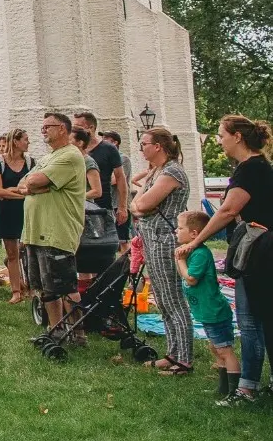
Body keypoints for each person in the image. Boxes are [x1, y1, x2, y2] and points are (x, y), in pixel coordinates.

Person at [176, 114, 273, 406]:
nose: (219, 140)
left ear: (238, 137)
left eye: (221, 134)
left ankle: (246, 390)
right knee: (264, 320)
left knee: (251, 322)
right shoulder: (259, 167)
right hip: (262, 250)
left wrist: (196, 240)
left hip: (258, 254)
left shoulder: (249, 169)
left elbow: (228, 210)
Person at [128, 126, 194, 374]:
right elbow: (138, 205)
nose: (141, 148)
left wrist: (140, 204)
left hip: (166, 240)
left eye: (144, 143)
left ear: (158, 146)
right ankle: (172, 353)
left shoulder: (172, 171)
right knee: (163, 300)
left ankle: (183, 360)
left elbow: (142, 204)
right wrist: (140, 204)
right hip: (152, 238)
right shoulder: (158, 171)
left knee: (173, 299)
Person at [20, 112, 89, 338]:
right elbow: (24, 183)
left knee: (65, 285)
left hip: (56, 231)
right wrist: (34, 186)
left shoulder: (70, 155)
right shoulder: (48, 157)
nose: (43, 131)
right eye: (42, 127)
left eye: (47, 126)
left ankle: (78, 334)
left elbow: (34, 181)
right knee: (45, 287)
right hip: (36, 230)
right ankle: (56, 329)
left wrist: (35, 185)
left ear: (62, 129)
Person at [176, 210, 240, 401]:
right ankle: (223, 388)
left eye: (180, 228)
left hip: (215, 311)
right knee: (215, 348)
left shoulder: (201, 254)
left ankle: (234, 391)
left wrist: (180, 260)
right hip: (206, 311)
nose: (176, 232)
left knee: (224, 350)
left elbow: (192, 278)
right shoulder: (193, 252)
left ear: (194, 233)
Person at [74, 110, 129, 246]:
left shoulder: (108, 149)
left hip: (102, 204)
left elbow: (120, 177)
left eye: (78, 126)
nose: (74, 129)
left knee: (103, 246)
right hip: (79, 205)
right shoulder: (74, 149)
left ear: (91, 127)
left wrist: (122, 207)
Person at [0, 129, 32, 304]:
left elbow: (30, 187)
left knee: (26, 250)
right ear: (15, 142)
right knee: (12, 252)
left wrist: (12, 191)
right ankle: (16, 291)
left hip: (26, 210)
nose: (28, 143)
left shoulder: (30, 162)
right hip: (7, 211)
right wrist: (20, 193)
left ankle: (29, 285)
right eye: (25, 139)